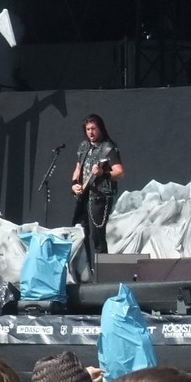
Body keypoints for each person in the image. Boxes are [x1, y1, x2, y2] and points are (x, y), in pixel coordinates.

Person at [70, 113, 124, 273]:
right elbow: (78, 168)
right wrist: (74, 184)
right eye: (88, 129)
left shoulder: (108, 148)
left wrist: (103, 174)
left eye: (93, 128)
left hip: (100, 197)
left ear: (100, 128)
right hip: (84, 196)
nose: (91, 132)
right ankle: (86, 272)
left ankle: (103, 273)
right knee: (81, 233)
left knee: (97, 236)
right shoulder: (84, 147)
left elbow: (119, 173)